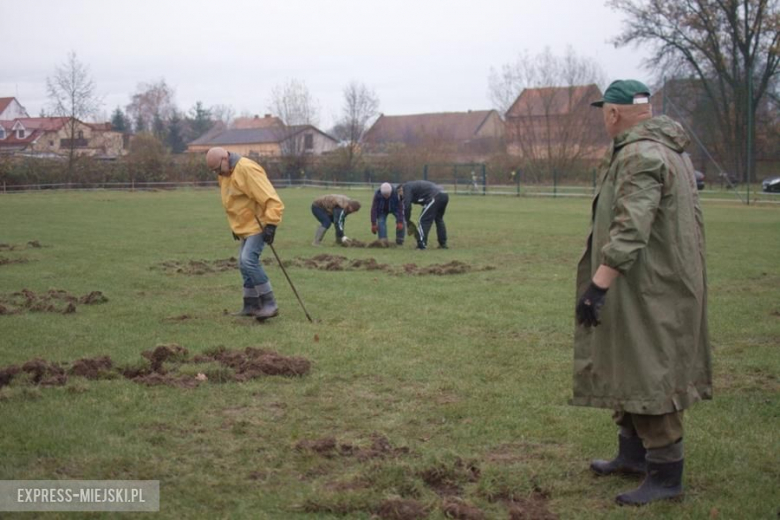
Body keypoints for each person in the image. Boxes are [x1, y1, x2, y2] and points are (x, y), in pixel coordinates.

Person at [573, 80, 712, 506]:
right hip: (647, 283)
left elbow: (631, 227)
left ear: (613, 114)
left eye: (604, 112)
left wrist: (598, 285)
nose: (603, 118)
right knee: (629, 363)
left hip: (652, 287)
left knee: (652, 370)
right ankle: (631, 455)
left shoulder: (641, 155)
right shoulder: (668, 151)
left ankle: (666, 476)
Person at [206, 147, 284, 320]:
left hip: (259, 223)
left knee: (249, 260)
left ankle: (270, 304)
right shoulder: (225, 173)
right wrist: (236, 227)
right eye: (214, 171)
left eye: (218, 169)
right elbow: (233, 201)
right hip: (245, 226)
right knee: (242, 263)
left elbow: (271, 198)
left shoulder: (247, 169)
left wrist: (271, 224)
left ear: (225, 158)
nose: (217, 173)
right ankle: (251, 304)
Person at [398, 180, 449, 250]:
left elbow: (407, 206)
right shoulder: (412, 186)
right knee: (438, 219)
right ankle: (443, 244)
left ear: (400, 190)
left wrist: (407, 221)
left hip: (435, 196)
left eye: (399, 194)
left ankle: (421, 245)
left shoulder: (406, 187)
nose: (401, 197)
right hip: (443, 195)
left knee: (423, 220)